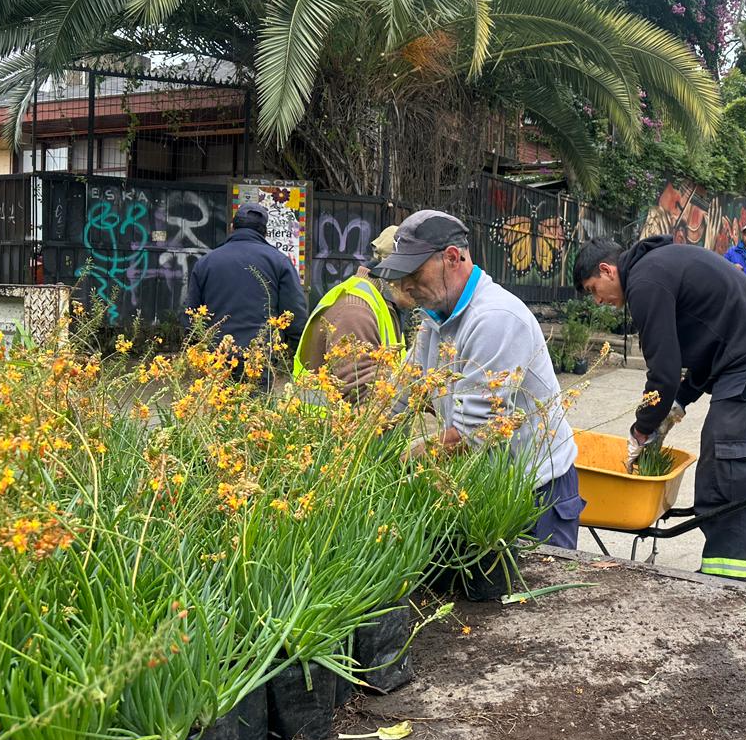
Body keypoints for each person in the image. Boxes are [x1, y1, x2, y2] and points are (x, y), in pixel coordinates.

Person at [573, 236, 746, 583]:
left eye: (593, 289)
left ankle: (730, 584)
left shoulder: (645, 280)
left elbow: (663, 372)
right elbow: (706, 344)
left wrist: (642, 428)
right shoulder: (658, 267)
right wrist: (678, 403)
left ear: (607, 269)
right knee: (718, 469)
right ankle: (719, 576)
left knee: (734, 468)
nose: (599, 300)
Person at [370, 210, 582, 548]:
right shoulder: (435, 318)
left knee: (536, 597)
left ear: (452, 258)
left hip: (536, 492)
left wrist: (403, 460)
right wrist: (361, 439)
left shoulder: (494, 319)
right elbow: (404, 389)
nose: (405, 285)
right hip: (485, 481)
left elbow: (473, 435)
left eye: (413, 272)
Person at [184, 201, 307, 381]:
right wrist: (298, 351)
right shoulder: (279, 262)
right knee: (255, 408)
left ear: (232, 227)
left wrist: (197, 349)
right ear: (264, 232)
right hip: (259, 357)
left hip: (217, 356)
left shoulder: (206, 262)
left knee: (220, 406)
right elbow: (294, 314)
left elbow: (191, 316)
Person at [293, 225, 405, 399]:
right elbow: (360, 394)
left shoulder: (386, 303)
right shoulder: (356, 310)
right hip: (327, 423)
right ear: (394, 272)